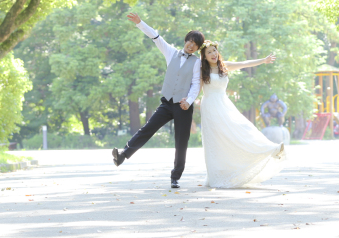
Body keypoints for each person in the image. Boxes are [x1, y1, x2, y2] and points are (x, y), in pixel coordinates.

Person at [112, 13, 204, 189]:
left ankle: (175, 177)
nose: (192, 46)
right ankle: (122, 155)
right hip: (167, 103)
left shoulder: (197, 63)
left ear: (198, 48)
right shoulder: (171, 53)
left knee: (181, 142)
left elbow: (195, 85)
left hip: (183, 106)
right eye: (190, 41)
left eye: (196, 45)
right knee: (147, 129)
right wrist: (140, 23)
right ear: (186, 40)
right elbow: (156, 37)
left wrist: (189, 101)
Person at [199, 40, 286, 188]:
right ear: (204, 56)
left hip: (224, 104)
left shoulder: (223, 66)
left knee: (243, 128)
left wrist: (263, 60)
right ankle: (216, 175)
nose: (213, 54)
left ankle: (270, 149)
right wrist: (186, 100)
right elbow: (195, 88)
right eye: (209, 52)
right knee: (215, 142)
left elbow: (245, 63)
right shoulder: (201, 70)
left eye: (214, 50)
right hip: (209, 107)